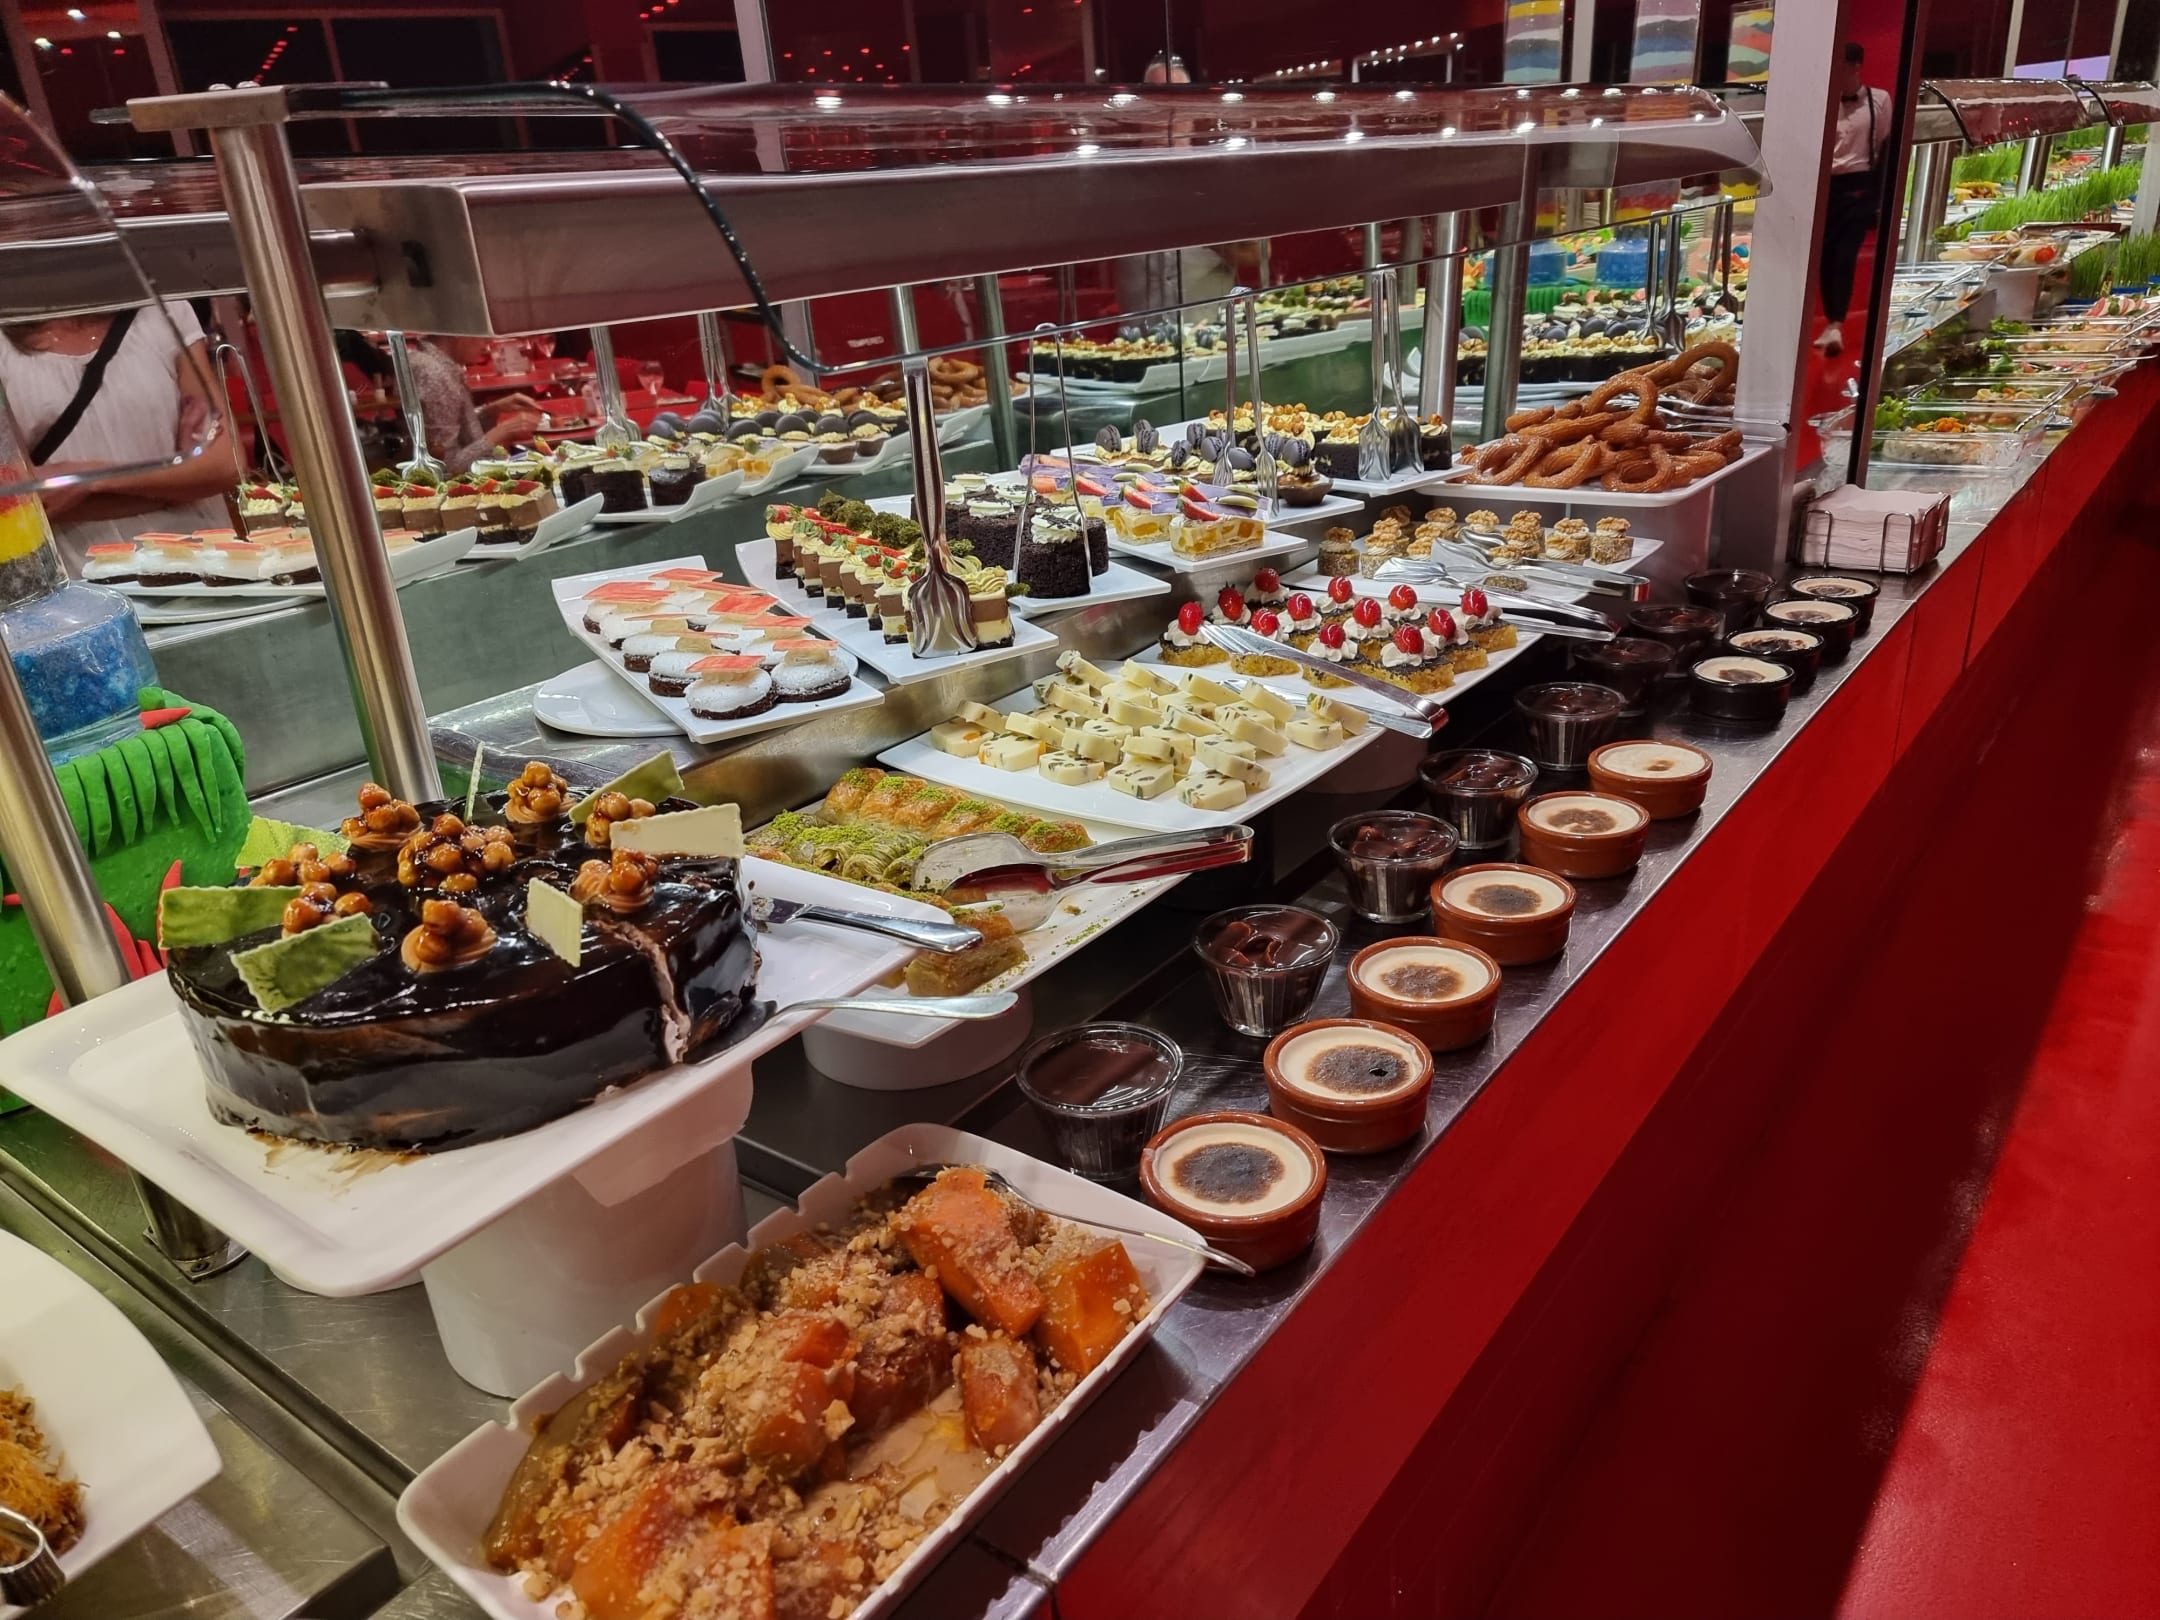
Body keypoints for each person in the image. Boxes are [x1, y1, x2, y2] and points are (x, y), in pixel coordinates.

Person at [0, 301, 241, 573]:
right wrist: (181, 485)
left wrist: (88, 480)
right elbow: (22, 501)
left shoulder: (164, 311)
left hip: (201, 566)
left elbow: (226, 464)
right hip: (81, 576)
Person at [1816, 41, 1893, 358]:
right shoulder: (1823, 101)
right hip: (1826, 187)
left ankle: (1836, 323)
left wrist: (1880, 195)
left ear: (1855, 66)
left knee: (1845, 255)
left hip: (1860, 186)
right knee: (1825, 256)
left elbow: (1885, 144)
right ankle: (1830, 322)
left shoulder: (1879, 100)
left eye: (1840, 64)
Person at [402, 335, 545, 473]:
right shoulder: (433, 373)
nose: (489, 340)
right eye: (481, 331)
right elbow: (446, 468)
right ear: (458, 332)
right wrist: (502, 432)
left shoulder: (431, 362)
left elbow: (459, 434)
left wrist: (491, 411)